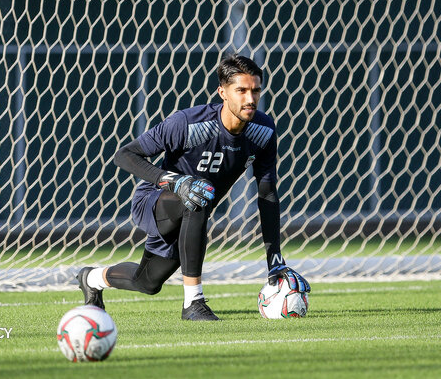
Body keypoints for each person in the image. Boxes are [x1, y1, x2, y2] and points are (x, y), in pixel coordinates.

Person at [77, 54, 310, 321]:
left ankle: (91, 278)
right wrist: (175, 181)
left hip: (193, 213)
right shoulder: (187, 124)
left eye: (255, 90)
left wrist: (275, 259)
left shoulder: (263, 131)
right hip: (154, 201)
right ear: (223, 92)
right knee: (199, 194)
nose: (250, 99)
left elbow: (267, 193)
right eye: (241, 90)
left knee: (147, 283)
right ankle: (193, 303)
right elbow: (125, 155)